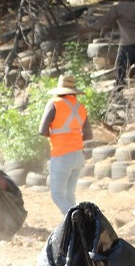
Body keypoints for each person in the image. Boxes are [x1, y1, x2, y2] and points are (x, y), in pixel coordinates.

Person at [38, 76, 93, 215]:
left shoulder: (54, 103)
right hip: (79, 155)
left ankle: (76, 219)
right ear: (73, 91)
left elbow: (42, 130)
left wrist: (58, 137)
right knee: (69, 194)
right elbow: (89, 135)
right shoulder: (81, 107)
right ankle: (75, 228)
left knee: (57, 195)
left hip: (62, 155)